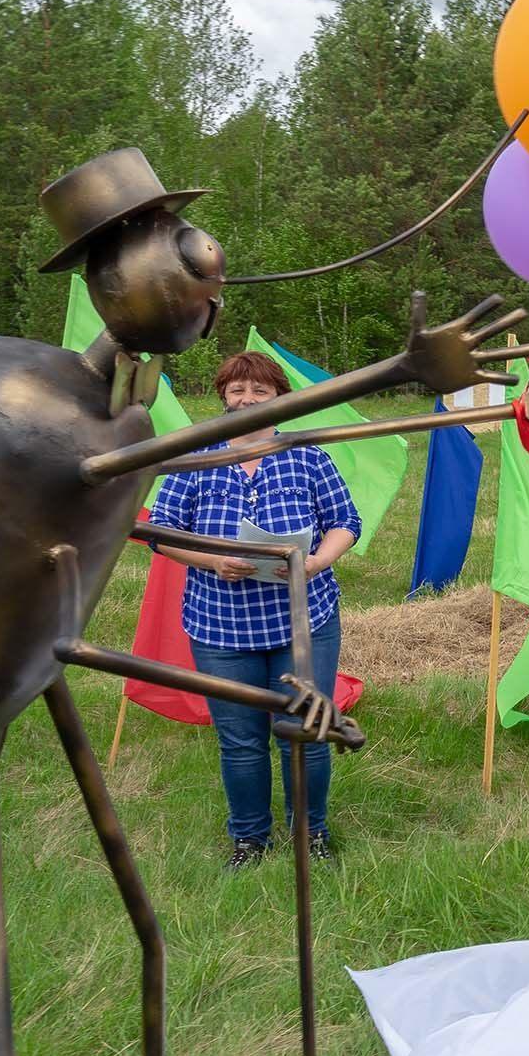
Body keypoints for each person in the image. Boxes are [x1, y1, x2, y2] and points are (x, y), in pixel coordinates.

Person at [149, 351, 361, 868]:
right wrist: (211, 560)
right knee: (241, 741)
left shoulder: (307, 456)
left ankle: (311, 835)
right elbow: (160, 531)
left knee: (307, 733)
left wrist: (315, 563)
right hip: (221, 624)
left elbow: (345, 521)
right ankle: (249, 840)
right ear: (224, 395)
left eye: (259, 391)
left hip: (303, 620)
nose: (246, 400)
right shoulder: (195, 454)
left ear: (278, 399)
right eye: (237, 390)